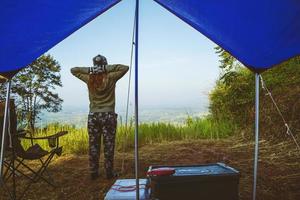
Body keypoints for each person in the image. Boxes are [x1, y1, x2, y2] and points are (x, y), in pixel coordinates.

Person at [71, 54, 129, 180]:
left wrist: (91, 70)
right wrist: (106, 68)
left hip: (93, 116)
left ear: (94, 66)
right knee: (109, 145)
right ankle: (109, 172)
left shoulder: (88, 78)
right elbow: (125, 68)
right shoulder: (111, 77)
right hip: (108, 115)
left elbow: (73, 70)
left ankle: (94, 172)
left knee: (93, 145)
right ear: (105, 64)